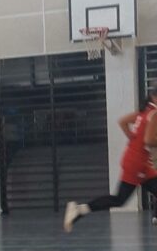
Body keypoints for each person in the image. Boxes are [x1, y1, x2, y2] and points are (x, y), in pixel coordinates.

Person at [64, 88, 157, 232]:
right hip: (137, 164)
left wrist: (133, 140)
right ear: (154, 97)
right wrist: (137, 143)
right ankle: (79, 210)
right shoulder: (154, 113)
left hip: (138, 161)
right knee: (119, 199)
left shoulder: (144, 112)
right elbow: (149, 140)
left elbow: (123, 122)